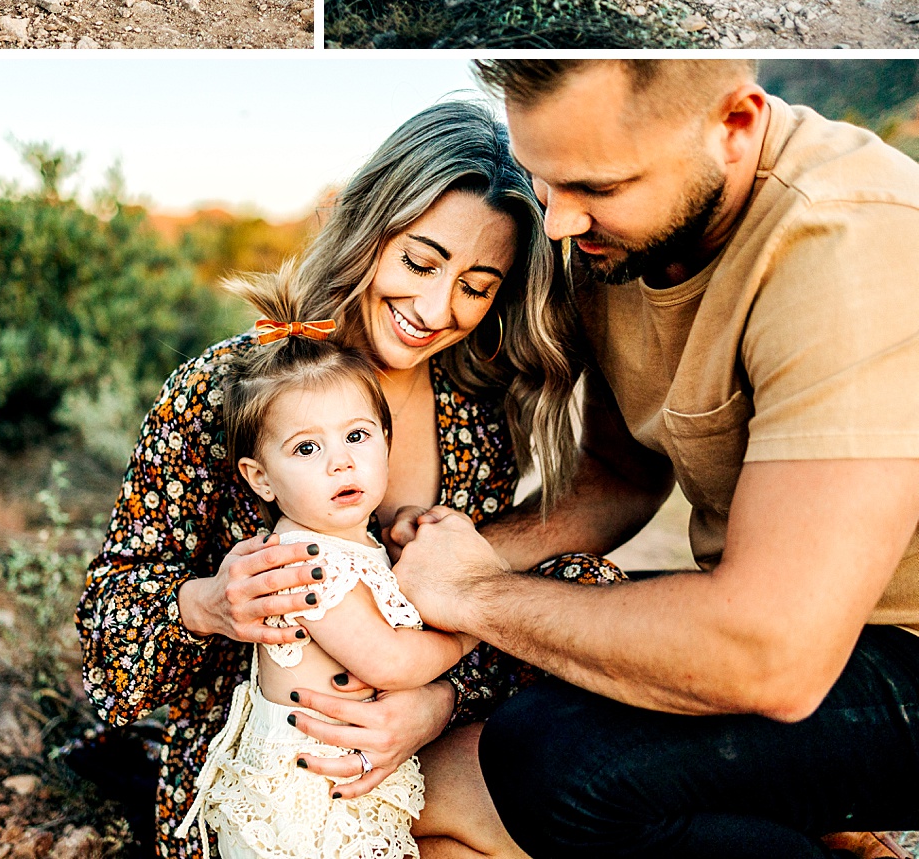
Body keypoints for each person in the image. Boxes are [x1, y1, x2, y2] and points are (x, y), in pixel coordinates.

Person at [387, 57, 919, 859]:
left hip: (888, 649)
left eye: (597, 188)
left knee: (558, 756)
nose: (559, 224)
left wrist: (478, 593)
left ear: (733, 126)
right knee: (512, 681)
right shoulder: (619, 237)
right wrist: (420, 572)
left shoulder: (850, 243)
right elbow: (622, 472)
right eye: (542, 178)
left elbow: (773, 653)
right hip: (790, 630)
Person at [76, 101, 622, 859]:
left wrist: (434, 705)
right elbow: (110, 618)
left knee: (586, 599)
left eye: (477, 284)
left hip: (409, 752)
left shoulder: (470, 415)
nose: (436, 308)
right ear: (370, 228)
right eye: (421, 261)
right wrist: (209, 602)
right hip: (277, 782)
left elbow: (466, 620)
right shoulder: (233, 388)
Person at [176, 280, 475, 859]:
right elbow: (389, 660)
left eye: (358, 436)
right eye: (307, 448)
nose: (341, 459)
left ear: (386, 442)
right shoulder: (304, 563)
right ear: (260, 478)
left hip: (336, 785)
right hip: (302, 805)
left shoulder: (351, 543)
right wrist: (468, 625)